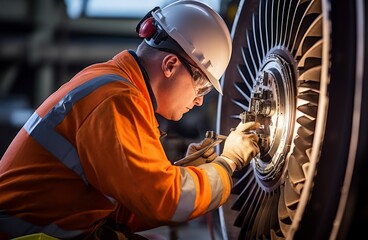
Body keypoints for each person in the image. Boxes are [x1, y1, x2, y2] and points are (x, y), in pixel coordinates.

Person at [0, 1, 260, 239]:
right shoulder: (116, 101)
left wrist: (187, 172)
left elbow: (126, 208)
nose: (200, 100)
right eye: (202, 86)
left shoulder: (113, 83)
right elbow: (165, 201)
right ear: (170, 65)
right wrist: (228, 163)